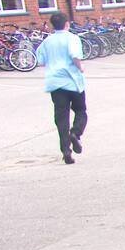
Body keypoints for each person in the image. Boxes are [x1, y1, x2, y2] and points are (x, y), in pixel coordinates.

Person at [34, 12, 85, 164]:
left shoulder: (47, 41)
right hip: (72, 81)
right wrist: (80, 67)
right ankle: (75, 133)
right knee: (80, 111)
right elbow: (75, 54)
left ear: (52, 25)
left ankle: (66, 151)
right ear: (67, 24)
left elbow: (40, 60)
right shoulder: (72, 38)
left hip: (55, 83)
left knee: (61, 118)